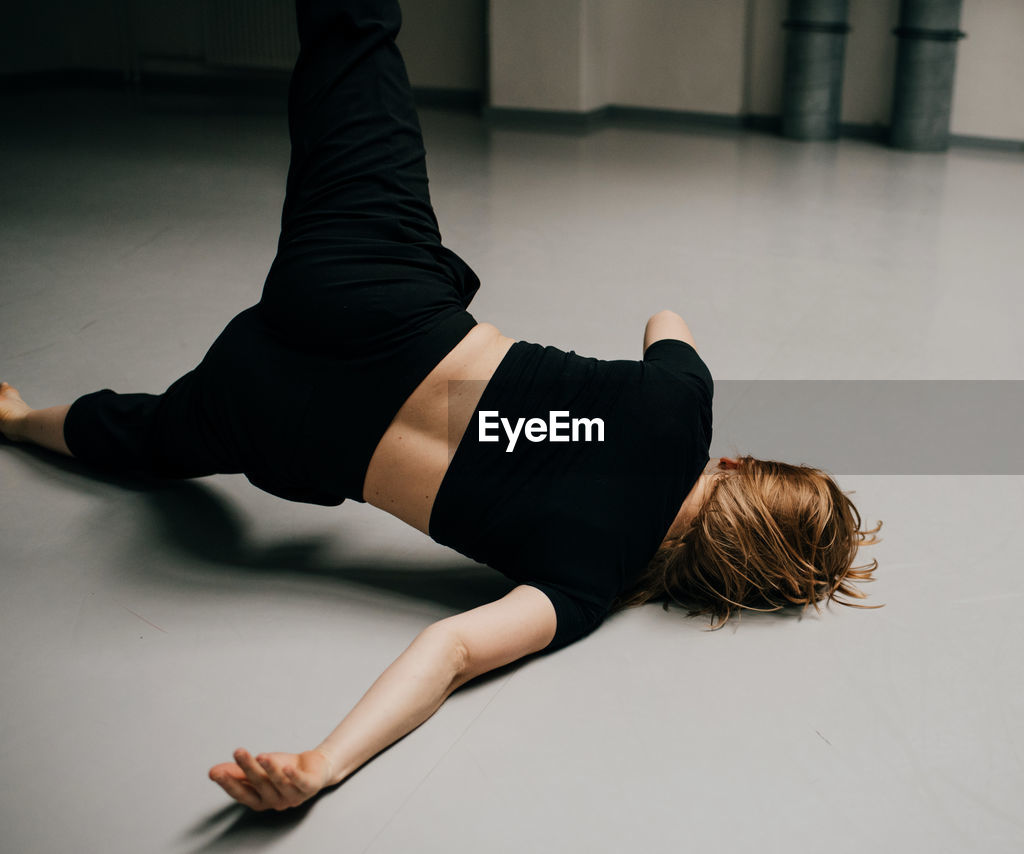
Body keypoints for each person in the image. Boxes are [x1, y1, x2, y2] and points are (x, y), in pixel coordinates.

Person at [0, 0, 880, 812]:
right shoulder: (586, 588)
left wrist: (619, 394)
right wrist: (319, 765)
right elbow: (449, 652)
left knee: (354, 37)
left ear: (741, 469)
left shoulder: (681, 409)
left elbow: (665, 316)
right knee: (146, 437)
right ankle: (13, 416)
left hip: (366, 289)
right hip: (280, 421)